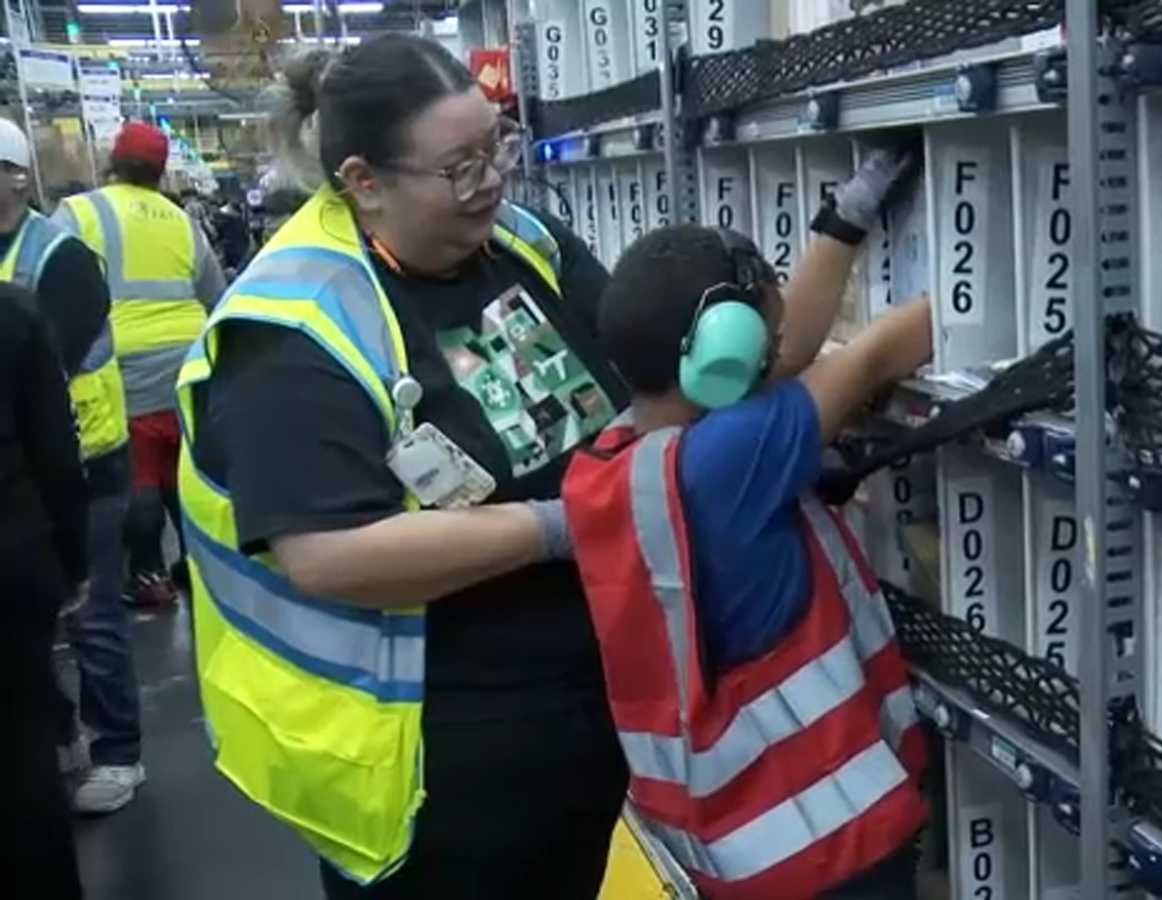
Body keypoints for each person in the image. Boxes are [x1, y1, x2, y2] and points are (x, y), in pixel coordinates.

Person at [173, 33, 705, 897]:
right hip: (423, 766)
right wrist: (561, 526)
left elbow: (635, 369)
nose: (491, 181)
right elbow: (328, 556)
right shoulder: (292, 331)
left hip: (580, 714)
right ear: (364, 182)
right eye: (458, 168)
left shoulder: (522, 241)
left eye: (497, 145)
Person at [561, 157, 935, 897]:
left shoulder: (621, 459)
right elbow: (879, 352)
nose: (783, 345)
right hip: (829, 846)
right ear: (727, 356)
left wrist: (847, 217)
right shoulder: (723, 461)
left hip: (734, 850)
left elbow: (784, 360)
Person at [0, 119, 146, 814]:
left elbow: (53, 357)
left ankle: (119, 752)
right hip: (17, 467)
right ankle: (59, 734)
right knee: (29, 619)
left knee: (89, 611)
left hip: (85, 457)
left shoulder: (58, 255)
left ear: (18, 176)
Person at [54, 122, 227, 608]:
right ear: (161, 169)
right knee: (183, 473)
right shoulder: (182, 220)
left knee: (138, 473)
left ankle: (148, 575)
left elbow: (51, 280)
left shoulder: (79, 211)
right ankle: (200, 567)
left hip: (121, 365)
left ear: (112, 160)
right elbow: (215, 295)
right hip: (190, 364)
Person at [0, 279, 91, 899]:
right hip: (11, 554)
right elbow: (57, 454)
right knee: (20, 752)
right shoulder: (12, 314)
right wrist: (72, 562)